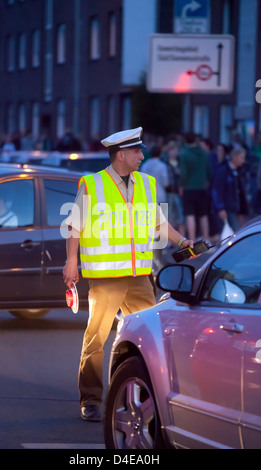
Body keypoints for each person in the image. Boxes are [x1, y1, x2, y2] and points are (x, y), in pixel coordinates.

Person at [62, 126, 196, 422]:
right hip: (106, 277)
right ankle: (92, 399)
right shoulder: (92, 184)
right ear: (120, 155)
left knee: (151, 339)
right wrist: (71, 261)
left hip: (139, 277)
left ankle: (148, 394)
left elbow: (159, 223)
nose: (141, 155)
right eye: (137, 151)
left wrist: (182, 241)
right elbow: (74, 225)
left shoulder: (147, 183)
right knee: (96, 339)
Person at [179, 132, 211, 240]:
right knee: (203, 214)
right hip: (202, 187)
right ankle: (206, 240)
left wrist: (181, 186)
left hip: (188, 188)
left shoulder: (184, 154)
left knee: (190, 215)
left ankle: (191, 241)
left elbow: (183, 174)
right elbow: (209, 171)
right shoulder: (204, 153)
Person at [214, 147, 249, 233]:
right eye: (241, 158)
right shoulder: (223, 171)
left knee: (236, 232)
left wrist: (241, 210)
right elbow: (218, 190)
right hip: (227, 208)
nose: (243, 161)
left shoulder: (238, 172)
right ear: (234, 157)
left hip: (234, 208)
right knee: (234, 233)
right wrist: (220, 208)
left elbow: (240, 193)